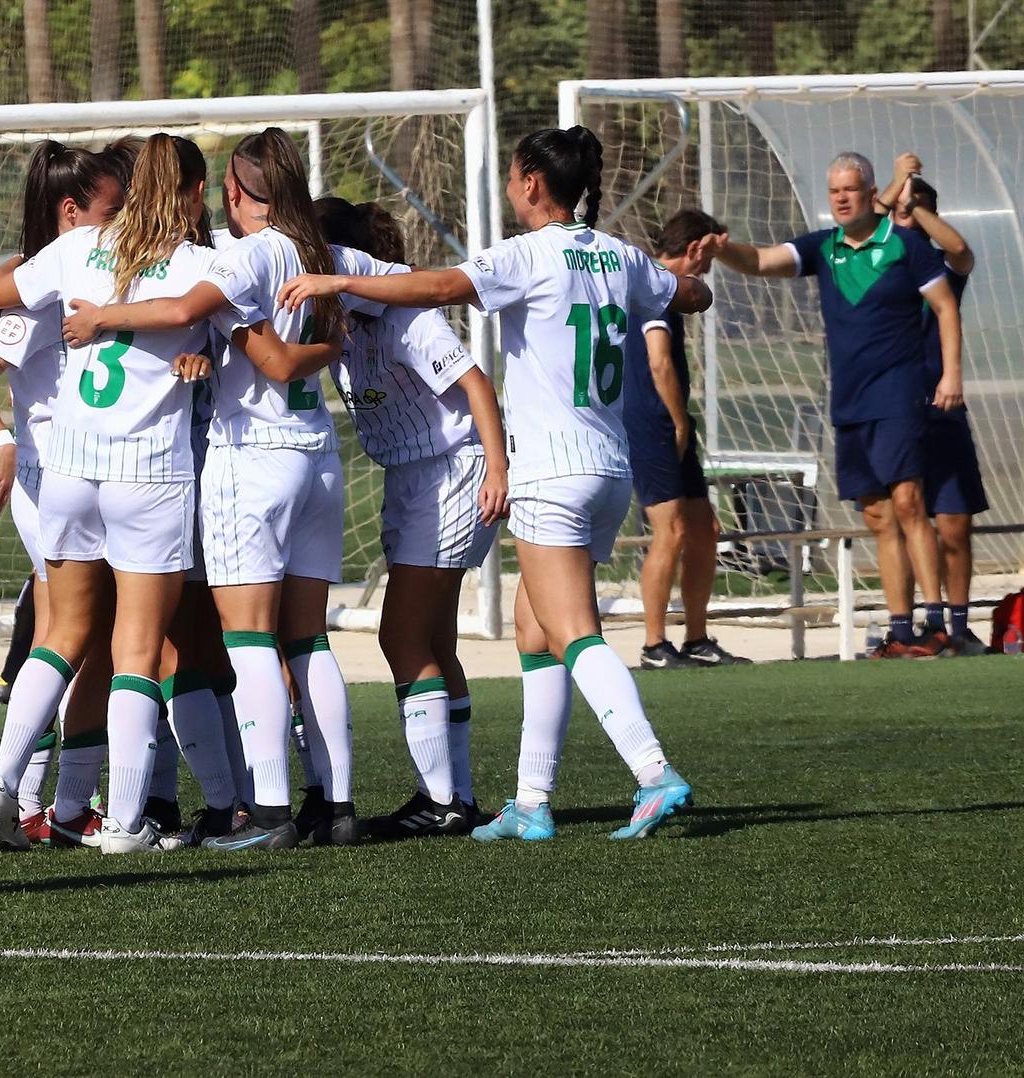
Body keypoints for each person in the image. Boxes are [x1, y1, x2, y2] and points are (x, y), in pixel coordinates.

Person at [280, 126, 716, 844]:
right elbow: (690, 294)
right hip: (610, 471)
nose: (511, 188)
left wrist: (342, 278)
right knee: (534, 631)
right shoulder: (622, 258)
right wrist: (679, 278)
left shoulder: (526, 255)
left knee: (573, 633)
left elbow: (437, 285)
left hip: (550, 468)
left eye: (513, 177)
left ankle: (652, 770)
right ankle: (531, 803)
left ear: (533, 185)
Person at [0, 134, 317, 854]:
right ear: (193, 194)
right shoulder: (203, 263)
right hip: (149, 472)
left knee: (59, 636)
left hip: (67, 467)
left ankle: (2, 782)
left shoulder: (82, 244)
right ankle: (125, 822)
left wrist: (66, 277)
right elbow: (231, 330)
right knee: (135, 650)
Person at [60, 128, 379, 851]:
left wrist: (103, 315)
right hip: (320, 457)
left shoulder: (243, 257)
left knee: (248, 636)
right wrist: (330, 346)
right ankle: (337, 805)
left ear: (232, 194)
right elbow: (388, 291)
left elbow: (191, 317)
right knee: (309, 637)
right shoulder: (325, 254)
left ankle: (265, 816)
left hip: (255, 459)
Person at [715, 151, 964, 660]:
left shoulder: (905, 245)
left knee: (909, 502)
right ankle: (900, 629)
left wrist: (952, 375)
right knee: (876, 515)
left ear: (871, 192)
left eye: (850, 189)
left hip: (898, 394)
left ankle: (936, 624)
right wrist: (722, 249)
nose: (841, 199)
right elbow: (761, 261)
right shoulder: (823, 249)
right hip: (849, 401)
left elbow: (945, 306)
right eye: (833, 191)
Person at [311, 196, 508, 838]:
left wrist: (499, 468)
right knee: (433, 642)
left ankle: (440, 799)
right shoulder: (342, 329)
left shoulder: (404, 314)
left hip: (454, 471)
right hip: (411, 476)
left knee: (400, 637)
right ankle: (458, 797)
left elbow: (476, 385)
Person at [0, 142, 126, 846]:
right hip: (51, 481)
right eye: (110, 211)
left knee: (91, 641)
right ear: (72, 214)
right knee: (77, 633)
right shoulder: (37, 291)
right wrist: (1, 441)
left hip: (94, 477)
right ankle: (28, 797)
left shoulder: (100, 281)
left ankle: (45, 803)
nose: (120, 224)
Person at [621, 210, 746, 671]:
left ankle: (696, 638)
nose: (709, 269)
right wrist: (677, 421)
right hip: (651, 420)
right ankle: (655, 645)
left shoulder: (660, 286)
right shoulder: (653, 287)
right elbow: (659, 362)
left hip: (671, 421)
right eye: (709, 257)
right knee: (670, 531)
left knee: (703, 529)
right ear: (694, 249)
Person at [880, 153, 991, 657]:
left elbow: (962, 249)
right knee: (906, 515)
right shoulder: (878, 261)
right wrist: (896, 192)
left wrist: (914, 206)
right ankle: (917, 626)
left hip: (942, 408)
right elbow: (864, 221)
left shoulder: (942, 267)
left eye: (915, 211)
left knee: (954, 523)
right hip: (896, 410)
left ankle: (961, 626)